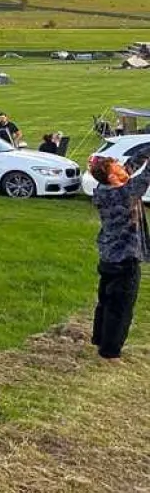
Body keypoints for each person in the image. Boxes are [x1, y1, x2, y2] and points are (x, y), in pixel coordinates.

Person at [88, 152, 150, 361]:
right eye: (118, 168)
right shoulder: (125, 194)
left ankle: (99, 338)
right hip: (125, 260)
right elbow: (146, 175)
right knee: (120, 307)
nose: (125, 169)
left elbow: (133, 164)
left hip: (108, 256)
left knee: (106, 300)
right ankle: (110, 351)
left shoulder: (104, 189)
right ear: (113, 177)